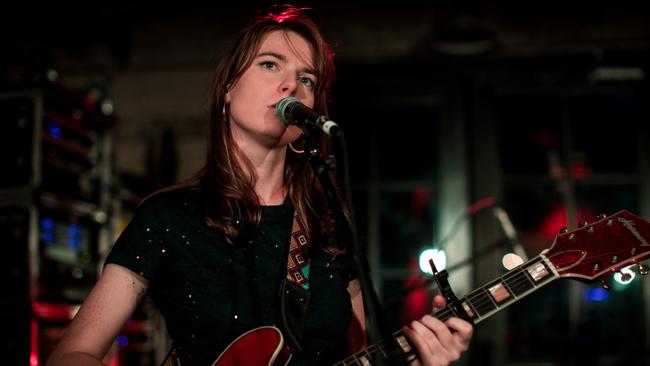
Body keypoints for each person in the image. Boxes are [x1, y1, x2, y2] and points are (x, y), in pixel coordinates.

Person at [47, 6, 473, 366]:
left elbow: (364, 355)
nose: (291, 84)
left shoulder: (329, 221)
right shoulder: (169, 217)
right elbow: (73, 354)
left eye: (307, 79)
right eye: (270, 64)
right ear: (228, 89)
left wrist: (423, 357)